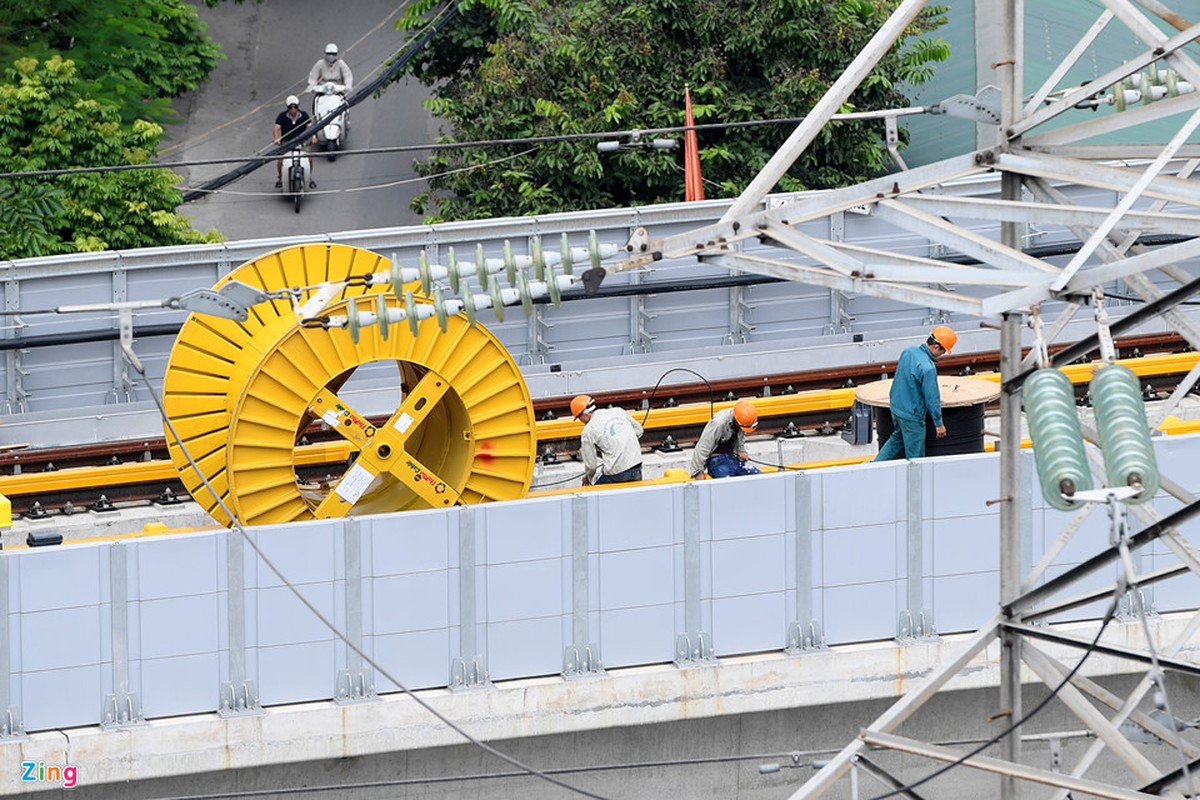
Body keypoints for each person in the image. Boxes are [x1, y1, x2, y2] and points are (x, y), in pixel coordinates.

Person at [872, 325, 958, 462]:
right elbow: (932, 398)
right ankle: (916, 481)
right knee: (915, 457)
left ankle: (873, 466)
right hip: (912, 416)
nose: (942, 355)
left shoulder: (908, 352)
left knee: (896, 438)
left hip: (896, 408)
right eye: (943, 352)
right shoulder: (928, 368)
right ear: (937, 347)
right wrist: (938, 423)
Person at [572, 395, 644, 485]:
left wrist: (588, 477)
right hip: (637, 467)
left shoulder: (588, 430)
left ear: (584, 415)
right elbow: (639, 431)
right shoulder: (618, 411)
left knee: (596, 495)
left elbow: (591, 466)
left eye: (579, 418)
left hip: (617, 474)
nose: (581, 421)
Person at [688, 399, 762, 479]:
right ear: (737, 421)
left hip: (734, 458)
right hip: (717, 460)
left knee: (759, 478)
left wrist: (741, 451)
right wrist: (698, 472)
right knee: (727, 484)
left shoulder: (742, 421)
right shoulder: (718, 423)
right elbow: (703, 447)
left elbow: (741, 435)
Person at [273, 95, 317, 189]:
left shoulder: (304, 115)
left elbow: (310, 128)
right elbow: (276, 128)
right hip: (287, 142)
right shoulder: (282, 116)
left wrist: (313, 137)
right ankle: (280, 178)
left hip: (302, 143)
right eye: (290, 107)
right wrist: (277, 138)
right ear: (287, 108)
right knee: (280, 160)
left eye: (295, 107)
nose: (293, 109)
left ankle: (309, 177)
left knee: (310, 159)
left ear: (298, 107)